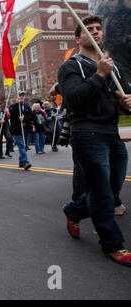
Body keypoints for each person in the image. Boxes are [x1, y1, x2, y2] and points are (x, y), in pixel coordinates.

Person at [57, 15, 131, 266]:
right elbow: (74, 98)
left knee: (111, 189)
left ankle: (74, 210)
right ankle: (113, 244)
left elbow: (123, 96)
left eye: (99, 29)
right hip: (87, 133)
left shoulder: (113, 67)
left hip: (111, 133)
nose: (96, 33)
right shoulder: (71, 67)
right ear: (78, 38)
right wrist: (99, 75)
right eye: (89, 30)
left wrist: (126, 104)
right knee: (101, 193)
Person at [8, 91, 33, 170]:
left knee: (24, 146)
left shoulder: (26, 106)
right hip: (17, 129)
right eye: (20, 96)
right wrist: (17, 104)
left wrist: (24, 118)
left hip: (26, 128)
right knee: (21, 145)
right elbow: (11, 114)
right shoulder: (12, 106)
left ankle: (21, 162)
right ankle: (25, 162)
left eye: (22, 96)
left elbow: (32, 116)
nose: (21, 97)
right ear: (16, 98)